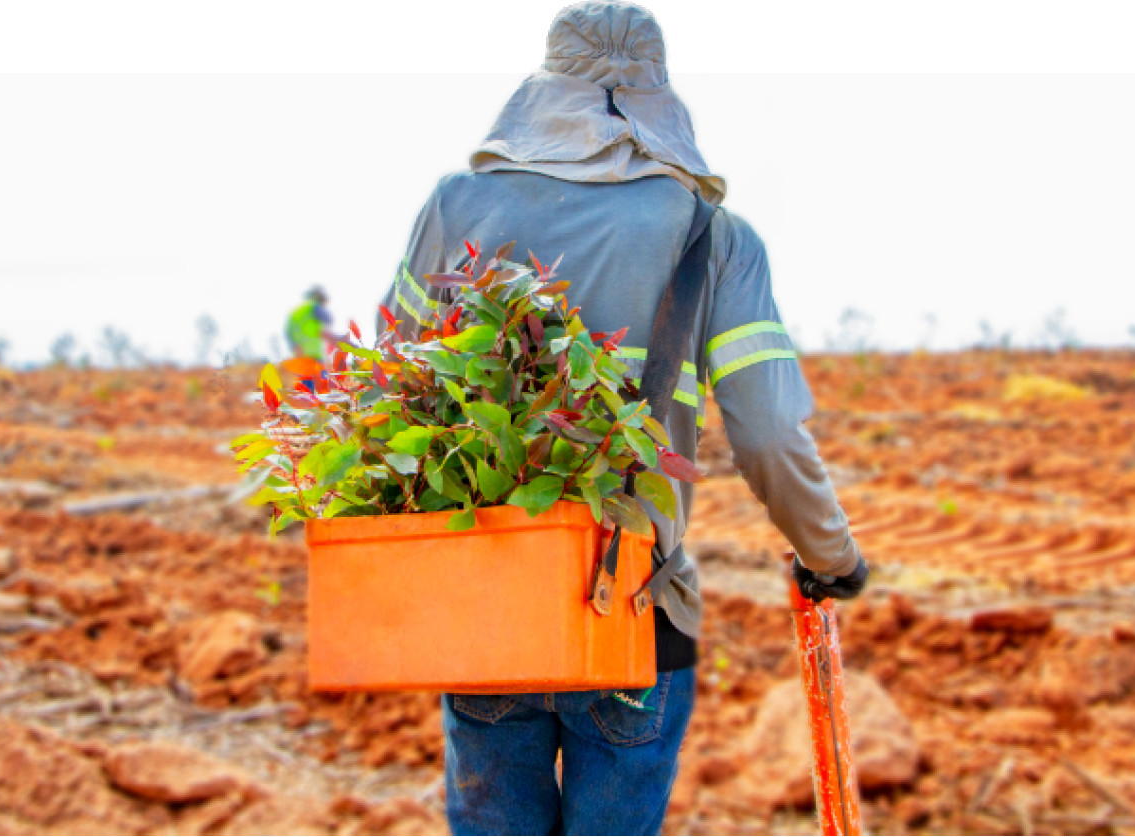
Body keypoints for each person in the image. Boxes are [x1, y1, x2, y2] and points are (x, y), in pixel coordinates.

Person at [377, 3, 868, 833]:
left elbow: (387, 395)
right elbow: (771, 431)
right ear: (659, 99)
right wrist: (832, 557)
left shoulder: (456, 208)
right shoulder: (714, 238)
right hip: (636, 611)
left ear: (543, 89)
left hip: (487, 604)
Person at [286, 286, 333, 392]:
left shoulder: (297, 312)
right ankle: (321, 405)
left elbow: (288, 332)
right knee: (322, 386)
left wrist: (295, 346)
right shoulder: (314, 307)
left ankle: (309, 406)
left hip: (301, 355)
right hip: (314, 355)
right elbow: (329, 319)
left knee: (306, 387)